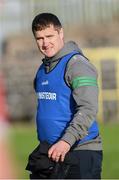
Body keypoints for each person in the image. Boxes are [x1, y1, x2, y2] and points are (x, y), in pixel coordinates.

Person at [30, 12, 103, 179]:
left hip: (80, 152)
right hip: (49, 152)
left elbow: (88, 108)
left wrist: (66, 141)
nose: (45, 43)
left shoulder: (77, 64)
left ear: (60, 33)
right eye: (39, 38)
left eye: (49, 36)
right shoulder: (42, 70)